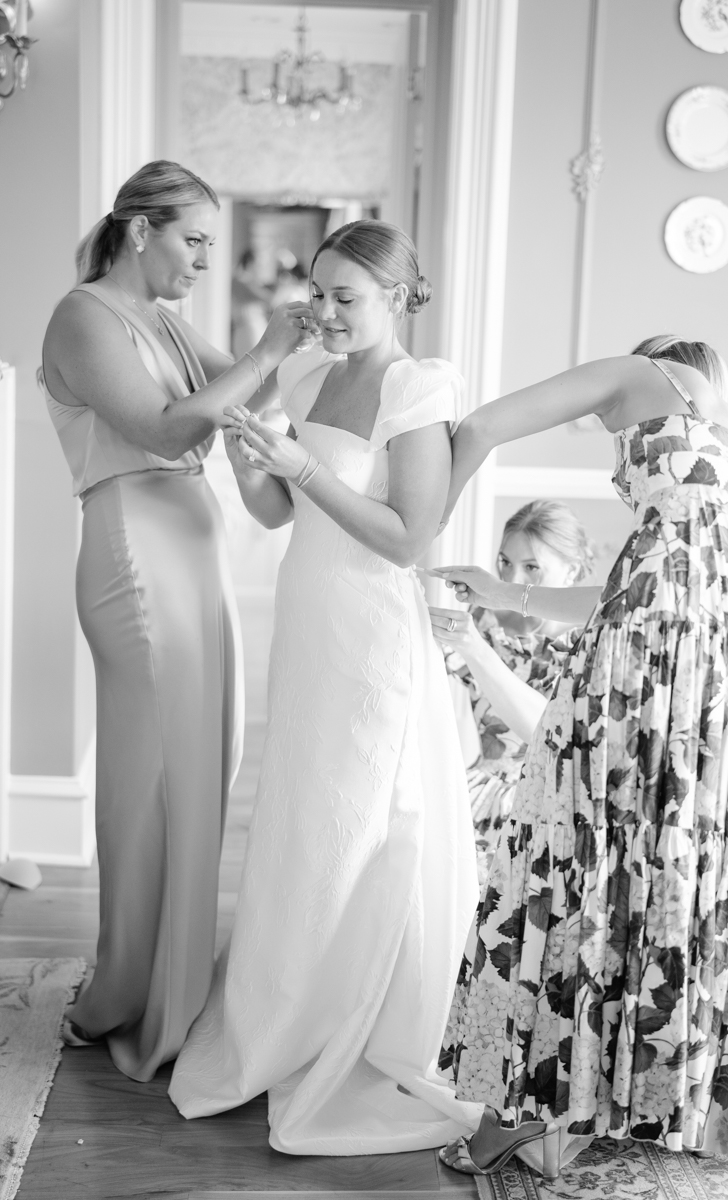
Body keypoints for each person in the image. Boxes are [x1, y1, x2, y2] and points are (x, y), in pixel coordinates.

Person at [433, 335, 728, 1177]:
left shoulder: (644, 376)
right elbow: (654, 576)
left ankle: (531, 1105)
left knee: (578, 864)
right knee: (677, 878)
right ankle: (670, 1100)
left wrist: (415, 522)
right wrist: (508, 595)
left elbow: (482, 425)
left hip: (666, 681)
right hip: (727, 686)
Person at [168, 220, 484, 1155]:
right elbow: (277, 513)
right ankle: (276, 1018)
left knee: (357, 820)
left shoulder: (415, 387)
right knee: (301, 819)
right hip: (306, 623)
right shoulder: (303, 376)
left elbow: (405, 535)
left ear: (399, 298)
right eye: (321, 291)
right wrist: (246, 449)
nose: (326, 311)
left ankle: (347, 1024)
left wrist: (302, 463)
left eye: (349, 297)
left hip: (371, 630)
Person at [42, 160, 315, 1082]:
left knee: (204, 769)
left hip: (194, 554)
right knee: (151, 781)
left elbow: (239, 402)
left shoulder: (162, 319)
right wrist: (268, 350)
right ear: (138, 231)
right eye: (194, 238)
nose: (207, 256)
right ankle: (123, 994)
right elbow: (167, 430)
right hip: (134, 554)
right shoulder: (84, 316)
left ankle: (176, 988)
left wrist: (314, 355)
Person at [429, 501, 594, 885]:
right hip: (465, 800)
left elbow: (548, 733)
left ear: (571, 570)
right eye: (504, 563)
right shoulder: (479, 623)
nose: (511, 578)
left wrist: (474, 649)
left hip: (545, 817)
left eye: (531, 567)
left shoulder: (590, 648)